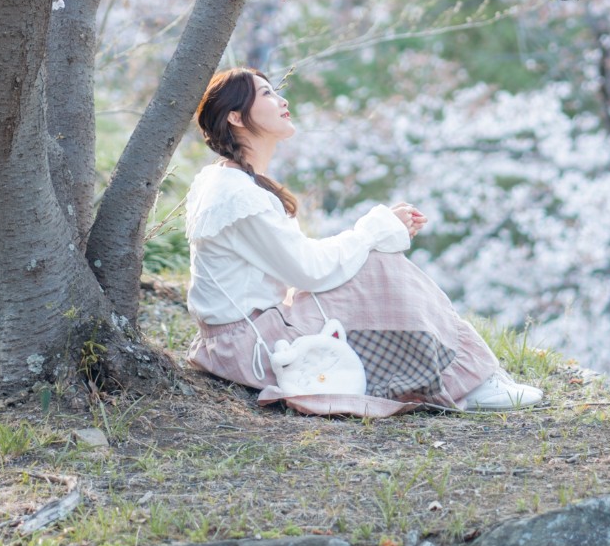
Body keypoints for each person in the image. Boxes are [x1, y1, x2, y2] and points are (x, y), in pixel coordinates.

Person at [183, 66, 545, 416]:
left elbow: (301, 265)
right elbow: (308, 271)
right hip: (250, 346)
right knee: (377, 264)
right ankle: (468, 381)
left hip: (246, 337)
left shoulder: (234, 183)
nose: (281, 99)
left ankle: (469, 375)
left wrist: (378, 231)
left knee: (371, 259)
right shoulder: (237, 196)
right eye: (266, 94)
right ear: (235, 117)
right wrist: (374, 229)